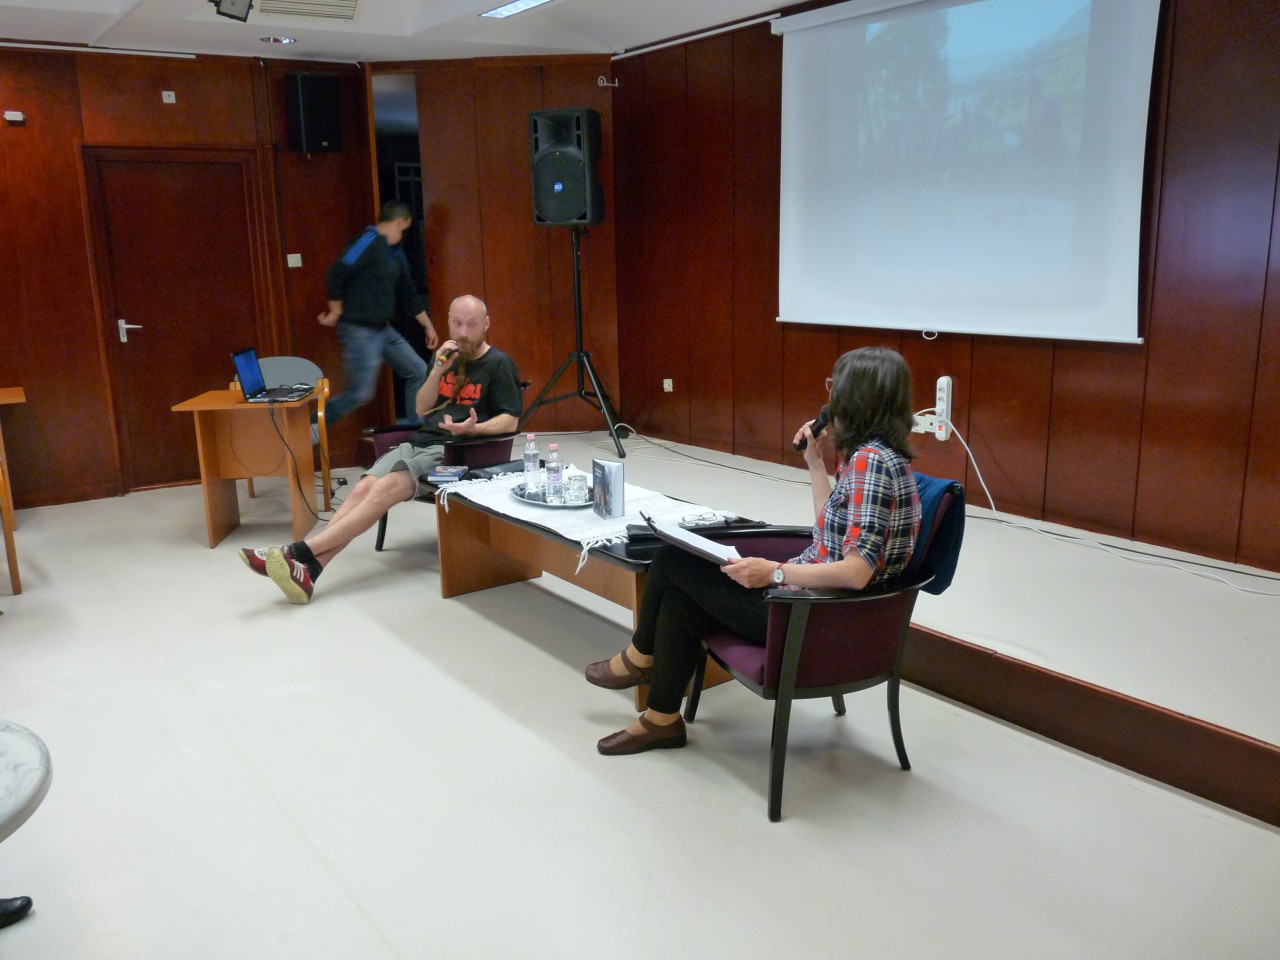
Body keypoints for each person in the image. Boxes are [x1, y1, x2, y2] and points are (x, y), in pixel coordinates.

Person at [585, 346, 922, 755]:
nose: (831, 397)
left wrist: (774, 572)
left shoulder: (871, 462)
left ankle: (639, 658)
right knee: (679, 600)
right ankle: (662, 721)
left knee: (671, 559)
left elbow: (856, 572)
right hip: (815, 603)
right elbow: (828, 535)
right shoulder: (878, 456)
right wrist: (816, 463)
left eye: (836, 387)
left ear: (858, 397)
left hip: (812, 616)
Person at [240, 294, 522, 604]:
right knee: (363, 488)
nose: (463, 333)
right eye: (457, 324)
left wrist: (474, 429)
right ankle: (310, 570)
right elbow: (421, 408)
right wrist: (438, 371)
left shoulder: (499, 364)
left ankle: (296, 552)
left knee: (385, 487)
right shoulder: (444, 358)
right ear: (448, 322)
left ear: (486, 324)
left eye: (471, 324)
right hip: (421, 443)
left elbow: (511, 420)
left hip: (457, 460)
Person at [320, 200, 439, 426]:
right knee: (360, 394)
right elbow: (336, 271)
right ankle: (311, 427)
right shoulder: (367, 241)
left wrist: (428, 325)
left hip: (382, 329)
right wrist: (336, 310)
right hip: (359, 329)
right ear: (401, 222)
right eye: (404, 229)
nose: (404, 235)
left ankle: (417, 433)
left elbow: (407, 292)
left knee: (417, 370)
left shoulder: (394, 252)